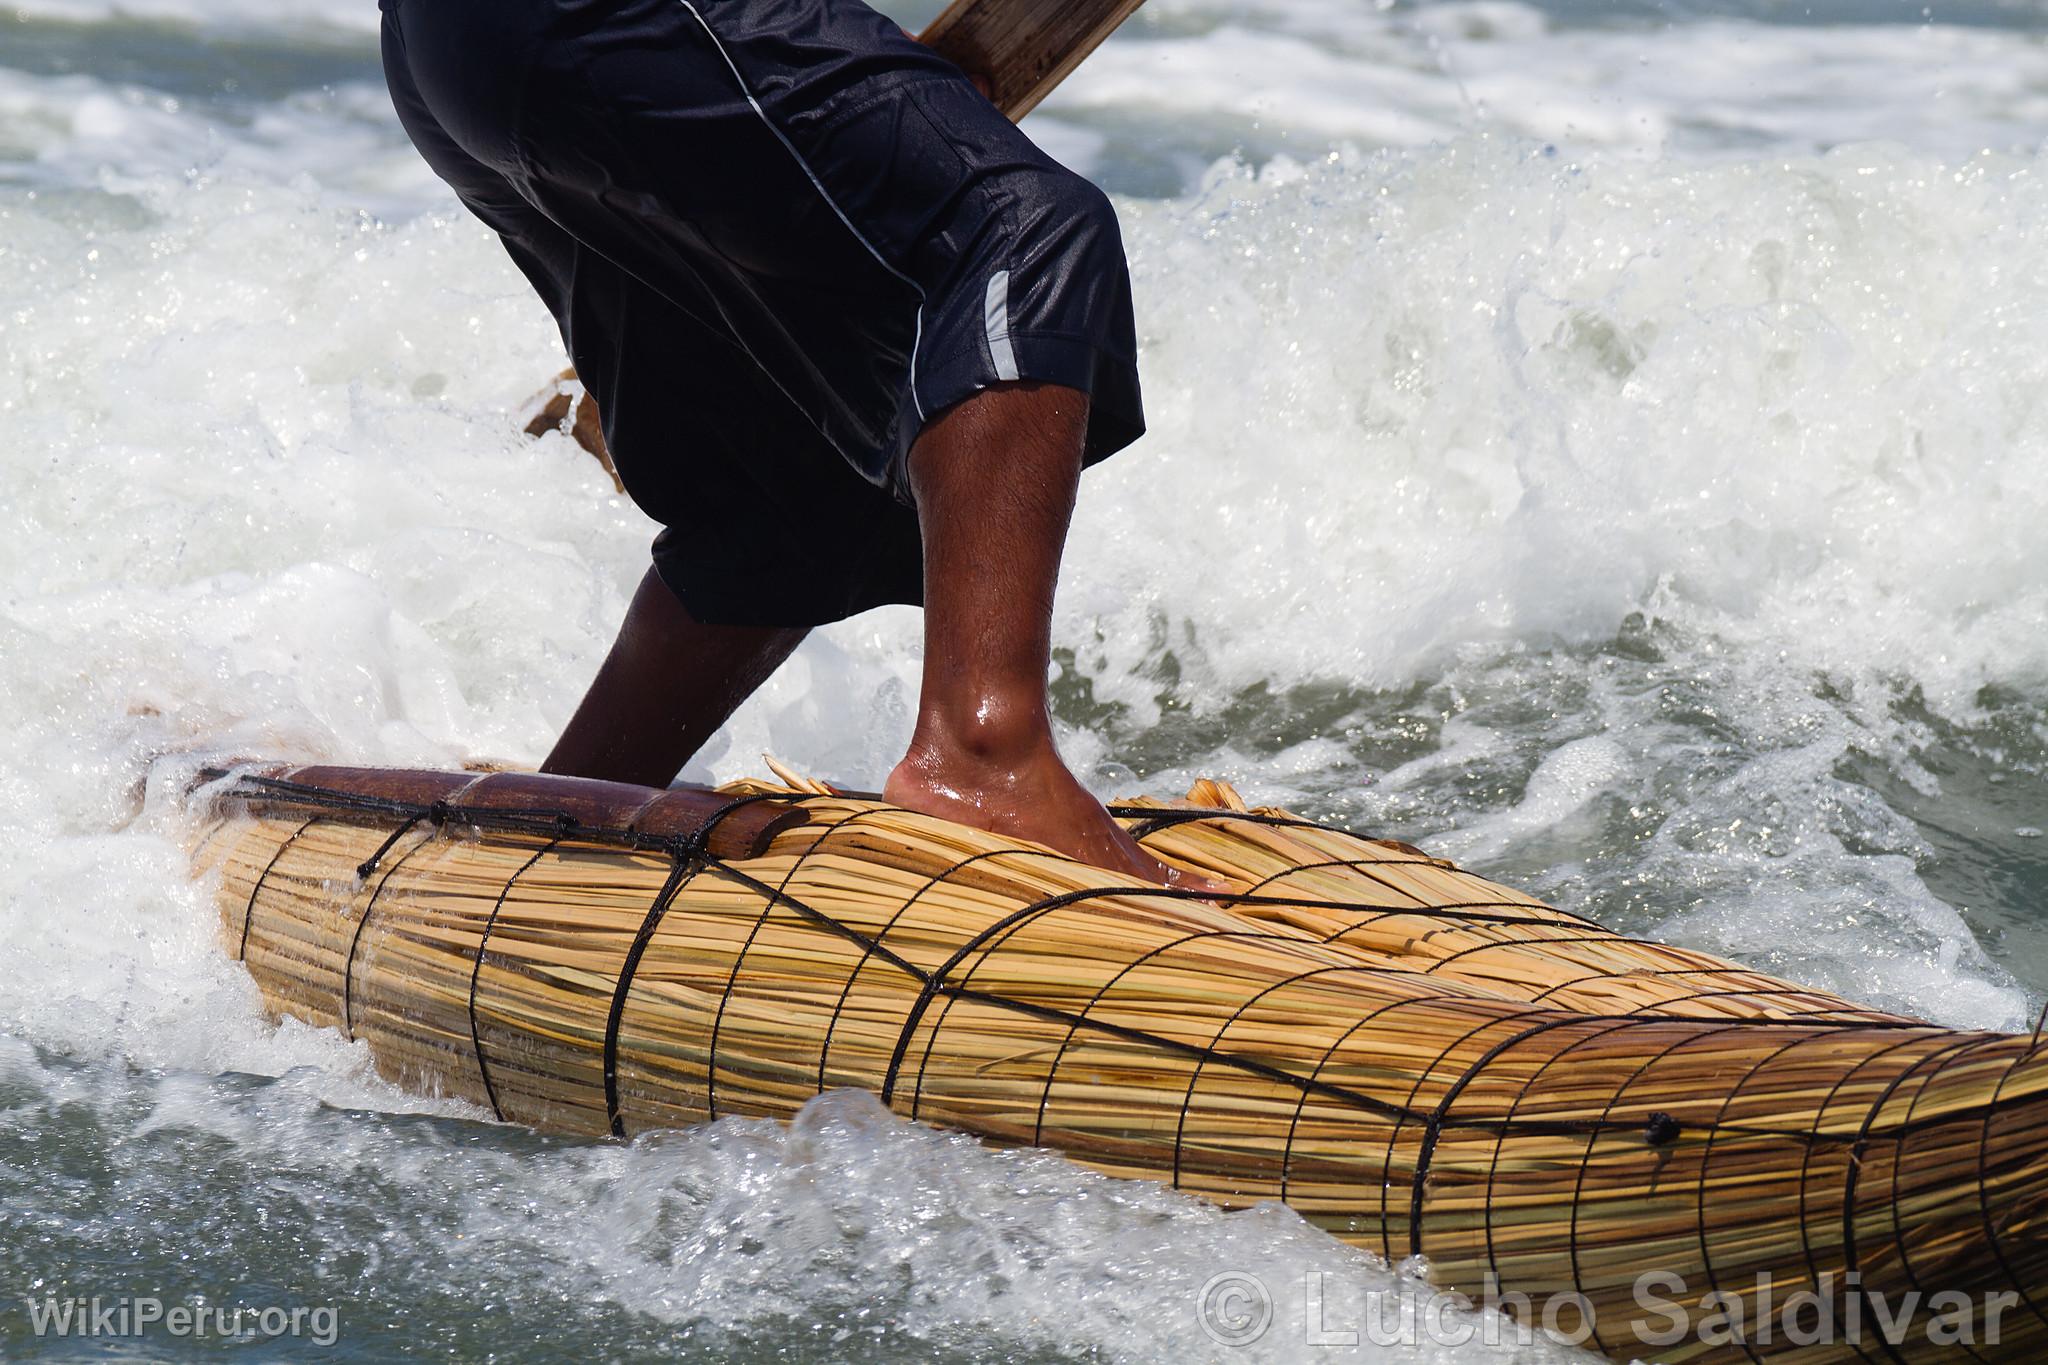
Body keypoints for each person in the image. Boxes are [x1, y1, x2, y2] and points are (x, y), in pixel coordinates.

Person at [379, 0, 1206, 888]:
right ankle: (985, 755)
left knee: (788, 480)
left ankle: (572, 817)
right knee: (1024, 233)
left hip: (444, 50)